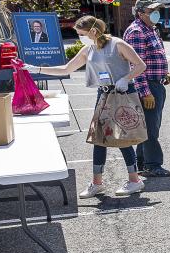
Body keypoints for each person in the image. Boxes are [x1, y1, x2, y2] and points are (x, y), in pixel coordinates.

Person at [26, 16, 147, 197]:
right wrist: (37, 69)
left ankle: (134, 180)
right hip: (104, 93)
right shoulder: (88, 49)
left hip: (122, 93)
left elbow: (140, 65)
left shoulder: (118, 44)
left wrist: (125, 79)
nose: (79, 37)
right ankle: (97, 183)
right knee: (98, 138)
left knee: (123, 137)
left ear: (92, 30)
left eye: (81, 33)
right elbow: (67, 69)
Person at [123, 0, 170, 178]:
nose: (155, 14)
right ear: (140, 13)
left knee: (150, 126)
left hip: (156, 83)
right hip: (147, 87)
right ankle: (153, 164)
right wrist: (145, 92)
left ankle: (143, 163)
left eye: (156, 11)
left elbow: (153, 56)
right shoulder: (137, 31)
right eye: (151, 11)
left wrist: (163, 73)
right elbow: (135, 65)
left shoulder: (150, 29)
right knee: (151, 128)